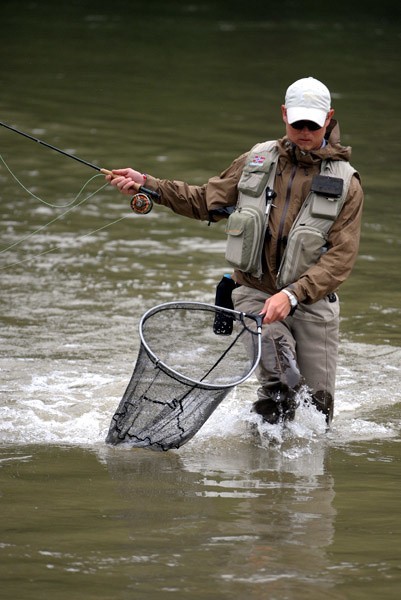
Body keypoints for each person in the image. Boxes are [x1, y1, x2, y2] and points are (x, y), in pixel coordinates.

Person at [105, 77, 363, 427]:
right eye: (297, 122)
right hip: (254, 294)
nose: (304, 131)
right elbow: (202, 200)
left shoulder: (347, 183)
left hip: (312, 302)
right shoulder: (256, 160)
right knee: (282, 381)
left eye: (313, 125)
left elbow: (340, 260)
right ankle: (261, 463)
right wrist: (148, 184)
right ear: (284, 114)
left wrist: (291, 294)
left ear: (329, 118)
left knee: (315, 414)